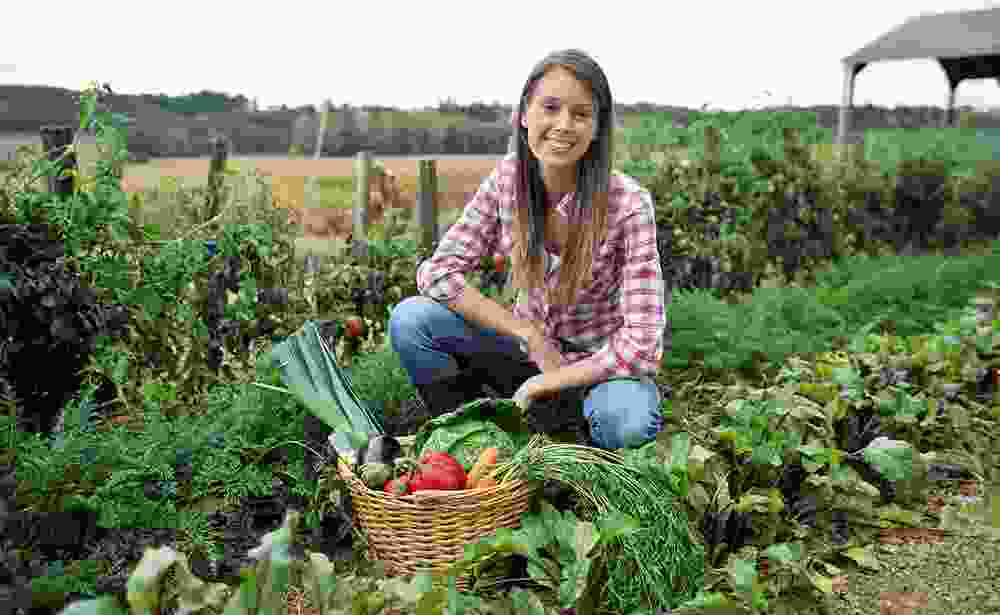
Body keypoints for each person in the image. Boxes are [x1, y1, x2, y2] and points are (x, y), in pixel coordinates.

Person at [387, 48, 670, 450]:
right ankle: (476, 439)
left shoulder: (628, 204)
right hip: (525, 357)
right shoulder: (508, 180)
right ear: (524, 114)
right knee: (412, 320)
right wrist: (526, 333)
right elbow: (437, 273)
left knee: (624, 421)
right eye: (550, 107)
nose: (563, 125)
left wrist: (551, 380)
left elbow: (642, 345)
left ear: (597, 127)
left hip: (601, 372)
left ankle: (575, 447)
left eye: (581, 114)